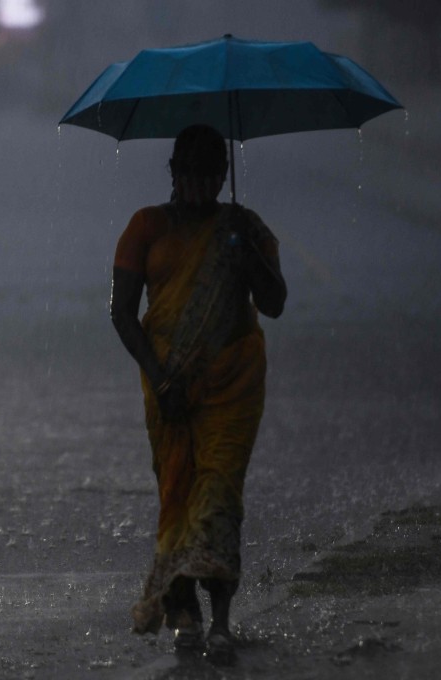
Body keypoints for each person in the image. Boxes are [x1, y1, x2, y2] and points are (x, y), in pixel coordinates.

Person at [109, 124, 286, 661]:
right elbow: (121, 312)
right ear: (173, 173)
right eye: (189, 176)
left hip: (233, 386)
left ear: (222, 177)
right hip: (167, 382)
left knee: (219, 494)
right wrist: (161, 378)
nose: (198, 187)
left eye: (210, 177)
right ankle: (184, 609)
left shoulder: (245, 227)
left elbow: (274, 302)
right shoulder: (146, 227)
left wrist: (244, 251)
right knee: (178, 493)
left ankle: (222, 622)